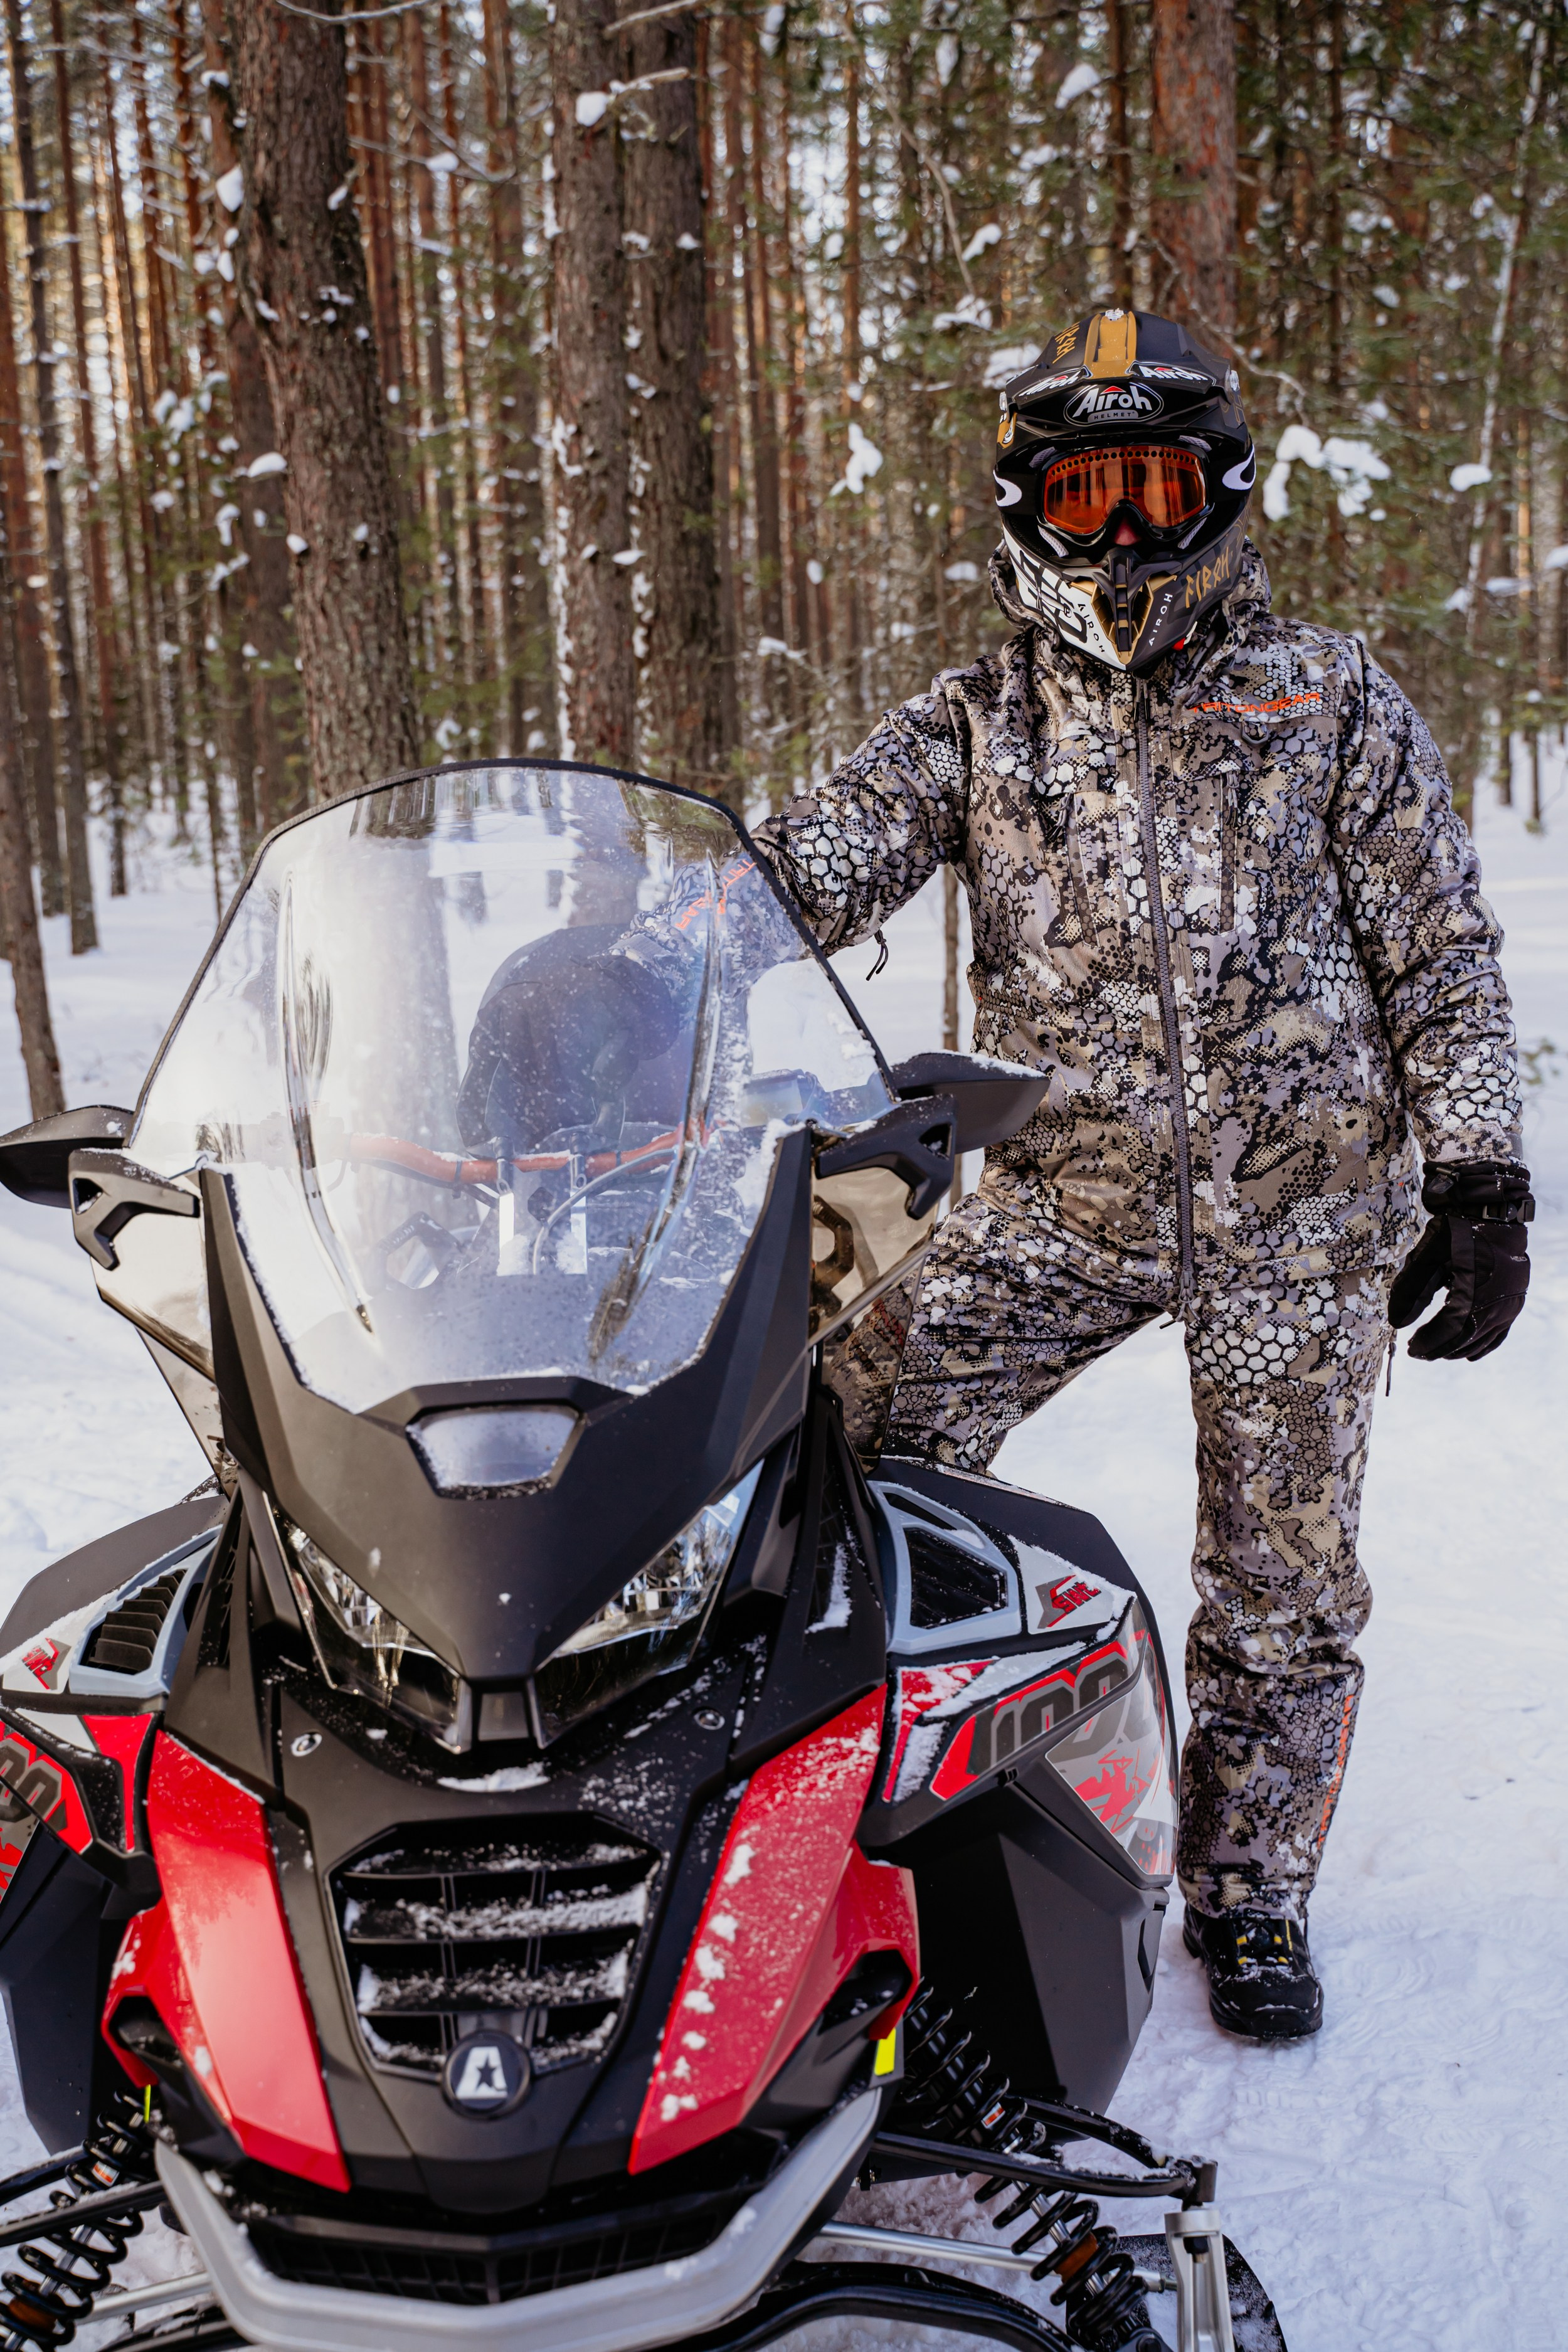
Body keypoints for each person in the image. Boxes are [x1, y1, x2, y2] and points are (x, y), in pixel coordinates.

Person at [754, 307, 1532, 2042]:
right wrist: (637, 945)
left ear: (1220, 495)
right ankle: (842, 1812)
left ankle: (1247, 1894)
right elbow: (799, 869)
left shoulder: (1325, 696)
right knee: (835, 1442)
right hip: (1059, 1201)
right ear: (1026, 504)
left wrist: (1479, 1172)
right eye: (1084, 493)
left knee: (1279, 1569)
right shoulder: (977, 718)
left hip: (1296, 1217)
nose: (1120, 538)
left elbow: (1441, 953)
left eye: (1154, 492)